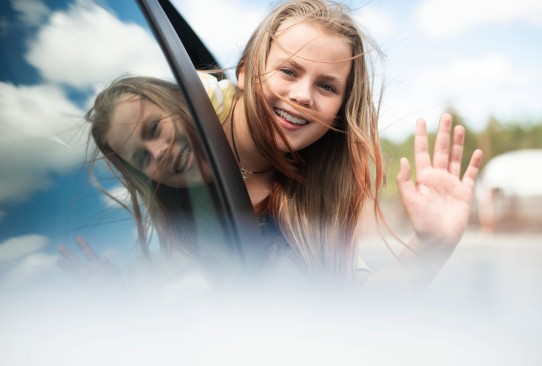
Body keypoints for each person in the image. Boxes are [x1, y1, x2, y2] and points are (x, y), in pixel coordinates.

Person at [82, 0, 482, 287]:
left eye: (327, 86)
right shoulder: (172, 208)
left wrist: (431, 244)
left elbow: (346, 310)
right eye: (288, 71)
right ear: (245, 72)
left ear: (339, 113)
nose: (303, 95)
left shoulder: (317, 193)